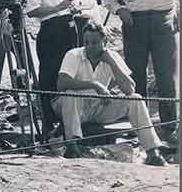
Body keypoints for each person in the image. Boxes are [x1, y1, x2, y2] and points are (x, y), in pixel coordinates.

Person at [101, 0, 179, 139]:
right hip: (135, 25)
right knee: (136, 76)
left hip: (163, 25)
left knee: (166, 76)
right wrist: (119, 10)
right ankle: (140, 127)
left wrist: (178, 13)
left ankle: (170, 126)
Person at [55, 21, 166, 165]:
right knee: (70, 94)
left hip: (99, 107)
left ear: (105, 42)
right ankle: (72, 146)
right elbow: (61, 84)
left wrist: (112, 63)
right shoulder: (73, 54)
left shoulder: (112, 56)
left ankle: (152, 152)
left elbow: (129, 90)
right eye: (87, 42)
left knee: (136, 99)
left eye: (94, 42)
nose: (89, 46)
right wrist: (95, 85)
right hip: (73, 107)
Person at [25, 0, 83, 135]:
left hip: (70, 29)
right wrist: (58, 8)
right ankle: (48, 122)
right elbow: (32, 11)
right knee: (49, 77)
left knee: (68, 75)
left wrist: (74, 8)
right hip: (50, 31)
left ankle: (67, 121)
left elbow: (77, 3)